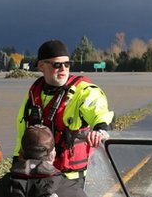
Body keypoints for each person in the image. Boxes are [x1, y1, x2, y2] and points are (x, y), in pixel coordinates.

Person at [15, 39, 114, 182]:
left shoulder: (84, 92)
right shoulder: (33, 94)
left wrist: (101, 130)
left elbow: (101, 113)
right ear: (41, 66)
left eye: (67, 64)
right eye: (57, 65)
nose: (63, 69)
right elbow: (21, 135)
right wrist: (16, 165)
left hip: (72, 178)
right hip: (38, 174)